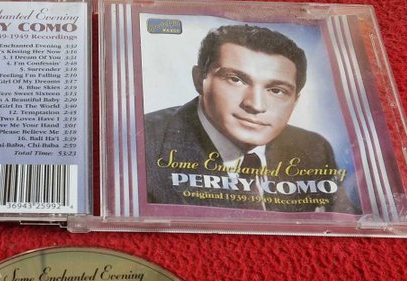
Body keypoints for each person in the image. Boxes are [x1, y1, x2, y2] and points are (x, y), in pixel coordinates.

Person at [143, 24, 359, 213]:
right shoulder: (142, 145)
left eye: (277, 90)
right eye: (235, 79)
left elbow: (345, 221)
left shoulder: (313, 148)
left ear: (295, 100)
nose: (255, 105)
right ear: (200, 80)